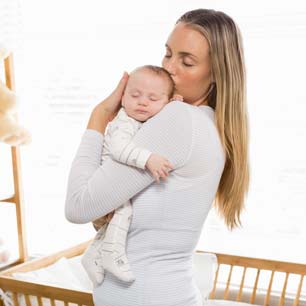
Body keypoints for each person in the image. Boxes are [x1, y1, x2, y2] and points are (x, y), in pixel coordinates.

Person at [65, 8, 249, 306]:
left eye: (186, 61)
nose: (170, 68)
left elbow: (77, 205)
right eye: (168, 54)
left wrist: (98, 118)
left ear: (217, 73)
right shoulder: (208, 123)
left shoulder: (179, 118)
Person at [81, 65, 180, 287]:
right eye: (135, 95)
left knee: (115, 218)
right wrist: (148, 159)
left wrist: (173, 107)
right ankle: (112, 253)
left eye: (153, 99)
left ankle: (92, 254)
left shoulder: (144, 121)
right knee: (124, 211)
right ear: (122, 98)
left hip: (114, 179)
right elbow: (118, 148)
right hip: (106, 177)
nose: (143, 102)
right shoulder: (125, 121)